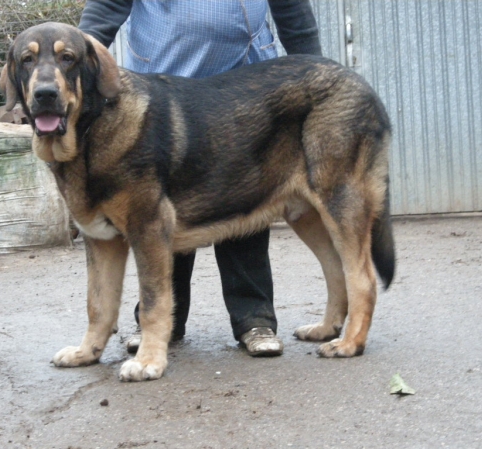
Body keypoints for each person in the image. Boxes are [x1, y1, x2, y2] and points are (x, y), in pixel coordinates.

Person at [79, 0, 321, 356]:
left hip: (246, 90)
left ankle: (254, 319)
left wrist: (314, 72)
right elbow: (106, 5)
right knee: (157, 213)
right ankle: (162, 326)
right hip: (164, 83)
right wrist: (78, 55)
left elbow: (292, 10)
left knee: (246, 199)